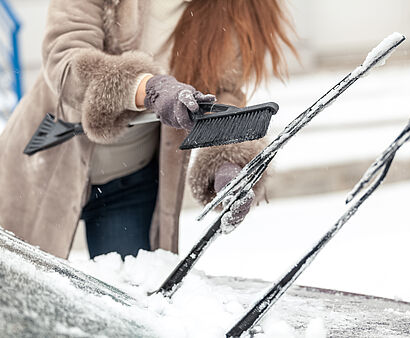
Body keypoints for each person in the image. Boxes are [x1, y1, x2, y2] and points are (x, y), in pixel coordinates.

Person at [0, 0, 296, 260]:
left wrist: (229, 161)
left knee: (126, 301)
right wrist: (147, 89)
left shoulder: (226, 7)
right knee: (21, 305)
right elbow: (65, 61)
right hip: (43, 166)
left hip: (131, 180)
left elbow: (222, 92)